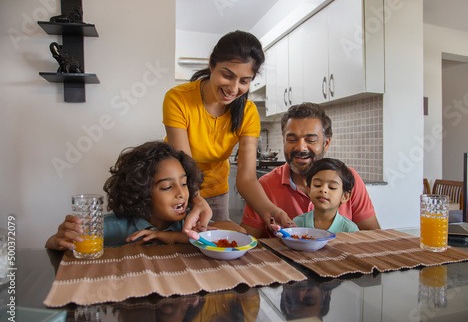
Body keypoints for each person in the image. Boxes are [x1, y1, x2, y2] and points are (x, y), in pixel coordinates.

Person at [163, 30, 292, 229]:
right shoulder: (178, 99)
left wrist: (271, 211)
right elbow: (183, 163)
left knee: (214, 251)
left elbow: (247, 179)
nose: (233, 89)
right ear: (211, 64)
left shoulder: (248, 113)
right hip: (176, 189)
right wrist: (195, 199)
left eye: (244, 81)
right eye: (227, 75)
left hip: (216, 193)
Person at [45, 141, 244, 250]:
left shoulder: (187, 225)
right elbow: (56, 244)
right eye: (167, 187)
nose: (181, 193)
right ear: (141, 192)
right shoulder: (114, 228)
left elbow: (239, 232)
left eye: (183, 184)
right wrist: (57, 240)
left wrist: (171, 237)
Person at [241, 103, 380, 238]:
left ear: (326, 144)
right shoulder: (264, 186)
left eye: (311, 140)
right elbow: (248, 242)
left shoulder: (349, 178)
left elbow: (375, 239)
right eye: (292, 139)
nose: (301, 148)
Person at [293, 158, 359, 233]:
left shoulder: (350, 229)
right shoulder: (297, 224)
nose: (323, 190)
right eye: (317, 185)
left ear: (345, 196)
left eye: (332, 187)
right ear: (309, 190)